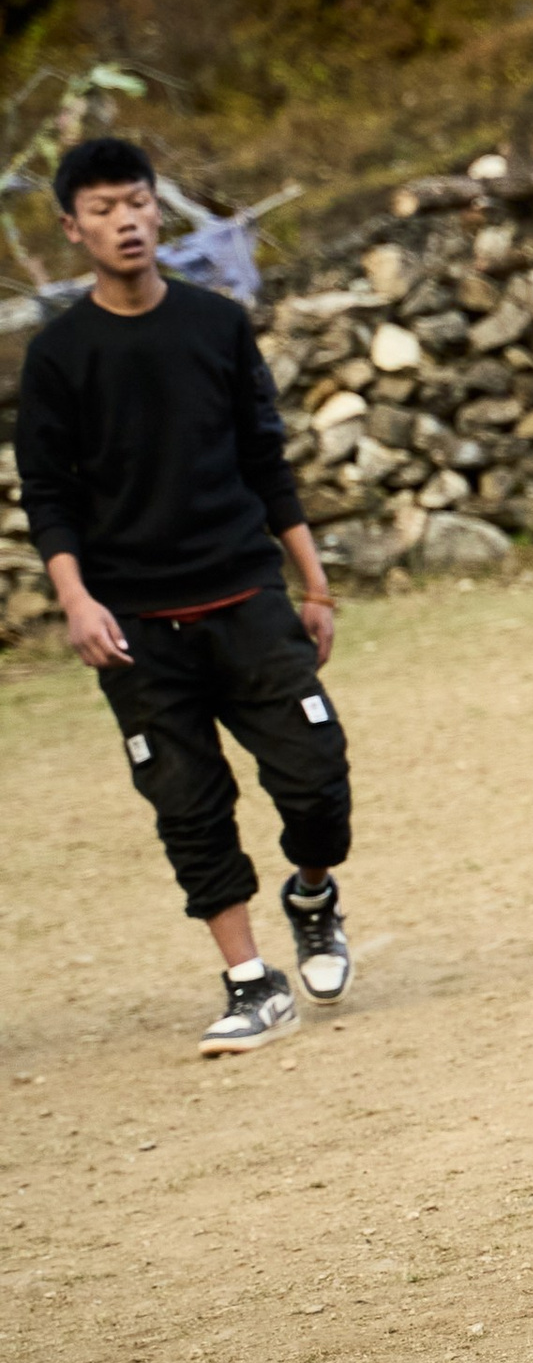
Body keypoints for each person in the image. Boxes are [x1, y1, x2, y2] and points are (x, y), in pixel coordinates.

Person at [15, 134, 354, 1052]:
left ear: (158, 210)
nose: (125, 221)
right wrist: (77, 601)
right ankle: (250, 979)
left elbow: (264, 459)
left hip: (245, 597)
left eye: (137, 202)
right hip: (133, 624)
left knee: (318, 783)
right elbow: (48, 496)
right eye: (103, 210)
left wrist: (312, 582)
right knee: (187, 804)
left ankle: (313, 894)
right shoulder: (58, 357)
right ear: (71, 230)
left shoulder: (215, 323)